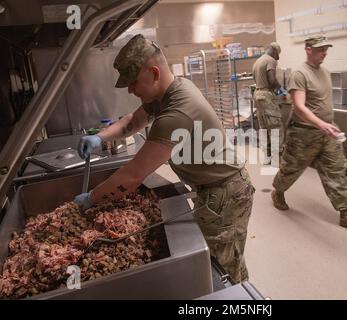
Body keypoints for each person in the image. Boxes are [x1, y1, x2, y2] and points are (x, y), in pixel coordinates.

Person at [74, 35, 255, 282]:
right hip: (216, 186)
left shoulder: (176, 112)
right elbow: (133, 121)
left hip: (225, 192)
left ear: (154, 72)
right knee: (228, 256)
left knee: (221, 266)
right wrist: (100, 138)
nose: (130, 89)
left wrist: (91, 198)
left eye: (133, 82)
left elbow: (133, 175)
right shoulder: (169, 91)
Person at [271, 35, 347, 233]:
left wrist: (328, 125)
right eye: (320, 49)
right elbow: (299, 107)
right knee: (291, 169)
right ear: (308, 49)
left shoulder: (325, 72)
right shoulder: (300, 74)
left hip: (327, 132)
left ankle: (346, 214)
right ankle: (278, 192)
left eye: (326, 49)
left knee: (336, 170)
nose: (324, 52)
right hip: (303, 134)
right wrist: (320, 124)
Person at [252, 42, 286, 165]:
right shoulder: (271, 60)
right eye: (278, 54)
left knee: (263, 127)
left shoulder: (258, 61)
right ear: (275, 51)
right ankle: (277, 159)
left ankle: (266, 157)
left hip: (257, 94)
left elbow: (255, 79)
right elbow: (272, 80)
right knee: (276, 126)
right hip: (266, 95)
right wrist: (282, 91)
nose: (278, 58)